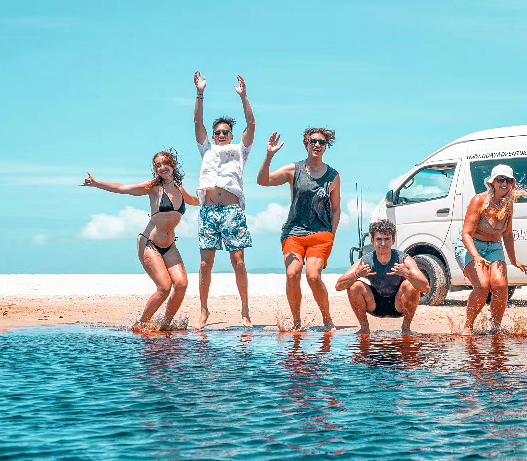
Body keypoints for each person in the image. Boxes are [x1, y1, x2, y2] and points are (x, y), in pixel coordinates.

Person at [82, 150, 199, 330]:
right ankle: (141, 324)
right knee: (164, 287)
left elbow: (197, 201)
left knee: (182, 285)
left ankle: (165, 325)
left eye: (165, 163)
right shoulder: (153, 187)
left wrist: (221, 198)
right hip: (149, 244)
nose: (162, 168)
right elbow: (123, 188)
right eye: (157, 166)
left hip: (169, 245)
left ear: (173, 165)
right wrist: (97, 184)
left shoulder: (179, 189)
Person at [257, 126, 341, 331]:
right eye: (313, 141)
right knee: (293, 274)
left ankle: (327, 319)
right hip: (293, 232)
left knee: (313, 276)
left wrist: (332, 235)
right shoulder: (295, 170)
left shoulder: (333, 176)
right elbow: (262, 181)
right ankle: (296, 322)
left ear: (326, 146)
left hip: (321, 235)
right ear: (306, 144)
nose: (317, 145)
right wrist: (269, 155)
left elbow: (336, 209)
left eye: (321, 142)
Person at [193, 70, 256, 329]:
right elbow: (197, 123)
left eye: (224, 133)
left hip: (232, 211)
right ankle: (204, 312)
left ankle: (245, 311)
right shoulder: (206, 150)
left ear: (231, 135)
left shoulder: (240, 151)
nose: (220, 136)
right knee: (206, 264)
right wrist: (200, 93)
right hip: (208, 212)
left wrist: (244, 97)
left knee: (238, 262)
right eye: (217, 132)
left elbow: (252, 125)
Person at [455, 163, 527, 335]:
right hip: (472, 245)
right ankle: (468, 325)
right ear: (493, 183)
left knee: (501, 285)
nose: (505, 184)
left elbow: (508, 235)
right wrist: (476, 256)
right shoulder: (479, 200)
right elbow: (466, 233)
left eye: (508, 180)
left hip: (494, 247)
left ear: (512, 184)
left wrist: (514, 260)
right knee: (482, 286)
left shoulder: (509, 204)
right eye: (501, 179)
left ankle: (495, 327)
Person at [335, 220, 429, 335]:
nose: (383, 244)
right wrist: (357, 275)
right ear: (372, 241)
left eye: (387, 239)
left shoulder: (404, 259)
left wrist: (406, 274)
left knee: (410, 285)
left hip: (398, 304)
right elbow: (339, 286)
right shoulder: (366, 260)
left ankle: (406, 328)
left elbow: (426, 287)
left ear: (393, 240)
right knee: (355, 286)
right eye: (379, 239)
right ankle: (364, 328)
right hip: (374, 305)